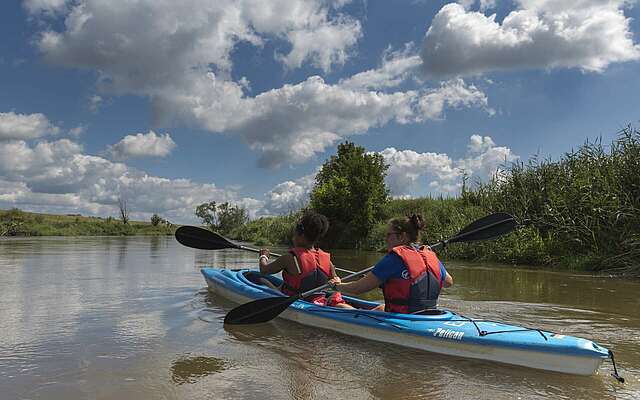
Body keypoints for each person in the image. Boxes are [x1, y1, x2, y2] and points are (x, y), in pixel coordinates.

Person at [331, 214, 452, 313]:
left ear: (402, 237)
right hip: (430, 315)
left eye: (389, 235)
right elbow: (448, 282)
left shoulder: (393, 259)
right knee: (380, 308)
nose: (386, 239)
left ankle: (336, 303)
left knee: (338, 306)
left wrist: (337, 285)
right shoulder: (430, 256)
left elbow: (357, 289)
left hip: (403, 317)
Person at [258, 211, 353, 309]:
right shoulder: (327, 261)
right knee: (282, 284)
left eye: (294, 235)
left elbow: (264, 270)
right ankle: (347, 308)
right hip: (319, 299)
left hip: (295, 300)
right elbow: (337, 283)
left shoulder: (290, 258)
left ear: (301, 235)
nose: (293, 238)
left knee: (263, 280)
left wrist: (263, 256)